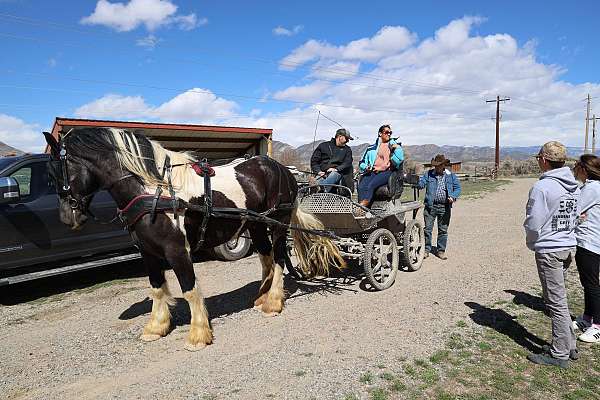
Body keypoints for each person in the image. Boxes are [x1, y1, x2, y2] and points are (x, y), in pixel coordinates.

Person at [524, 141, 580, 368]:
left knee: (555, 303)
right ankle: (569, 345)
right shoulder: (573, 186)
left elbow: (534, 222)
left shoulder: (542, 188)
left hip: (549, 248)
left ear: (544, 160)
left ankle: (559, 354)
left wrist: (531, 242)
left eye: (539, 158)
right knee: (560, 300)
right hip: (567, 245)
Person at [572, 154, 600, 343]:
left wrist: (577, 217)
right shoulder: (592, 188)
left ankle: (597, 326)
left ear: (584, 169)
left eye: (576, 166)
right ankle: (587, 318)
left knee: (591, 284)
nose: (574, 169)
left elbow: (574, 210)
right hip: (589, 240)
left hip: (589, 241)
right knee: (587, 282)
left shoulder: (591, 189)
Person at [418, 154, 461, 260]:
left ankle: (440, 250)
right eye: (435, 165)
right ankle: (426, 250)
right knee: (427, 229)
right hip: (430, 206)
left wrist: (453, 196)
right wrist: (418, 183)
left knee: (443, 230)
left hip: (444, 207)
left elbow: (457, 188)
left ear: (443, 165)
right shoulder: (428, 174)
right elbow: (422, 183)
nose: (436, 168)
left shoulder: (451, 176)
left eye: (438, 165)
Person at [357, 124, 404, 207]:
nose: (389, 134)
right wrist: (366, 167)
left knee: (371, 185)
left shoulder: (394, 145)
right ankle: (362, 208)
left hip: (387, 171)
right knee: (361, 186)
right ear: (380, 134)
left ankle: (361, 208)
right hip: (373, 171)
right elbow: (361, 162)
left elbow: (399, 160)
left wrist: (397, 148)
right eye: (386, 132)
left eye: (390, 132)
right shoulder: (371, 148)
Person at [310, 128, 354, 194]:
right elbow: (314, 162)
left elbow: (348, 163)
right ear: (340, 137)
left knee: (333, 174)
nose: (348, 141)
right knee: (319, 179)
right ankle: (318, 189)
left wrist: (336, 169)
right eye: (347, 138)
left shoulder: (347, 149)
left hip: (338, 173)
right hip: (322, 174)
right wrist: (319, 171)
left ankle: (321, 188)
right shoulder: (323, 146)